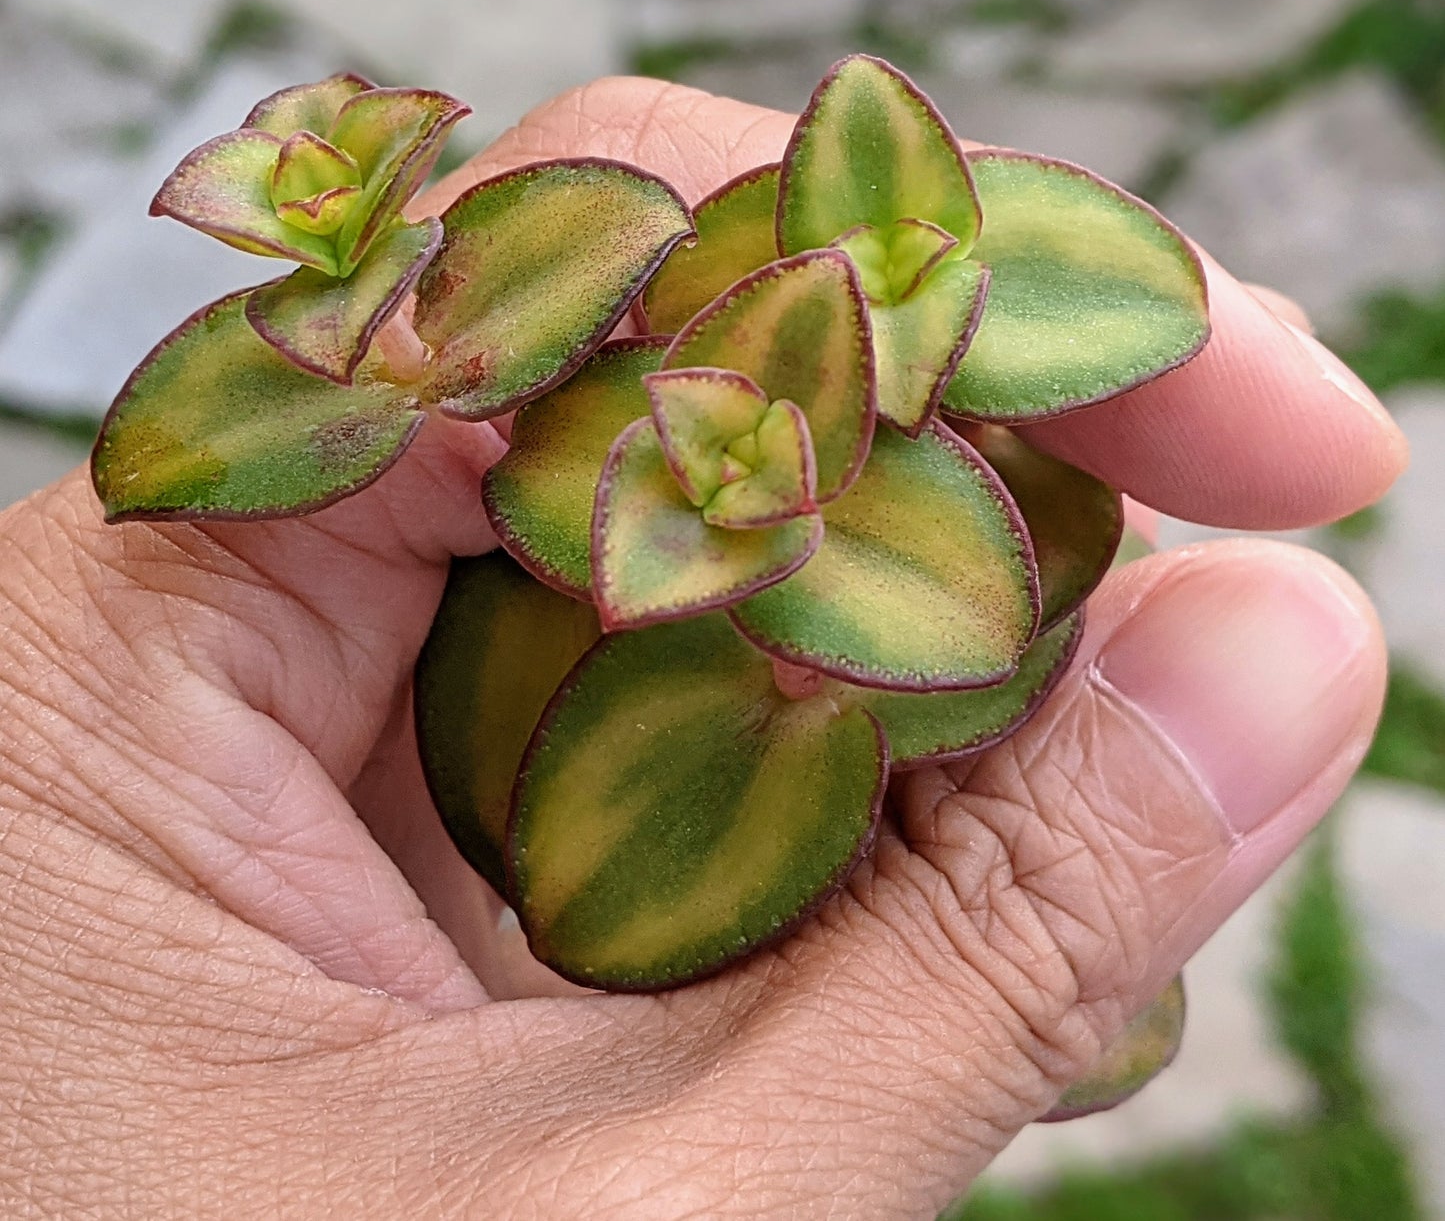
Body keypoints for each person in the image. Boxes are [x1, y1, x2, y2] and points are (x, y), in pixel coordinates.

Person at [0, 77, 1405, 1219]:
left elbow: (974, 578)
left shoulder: (842, 426)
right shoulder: (623, 465)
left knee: (979, 614)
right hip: (690, 659)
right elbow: (567, 478)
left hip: (796, 568)